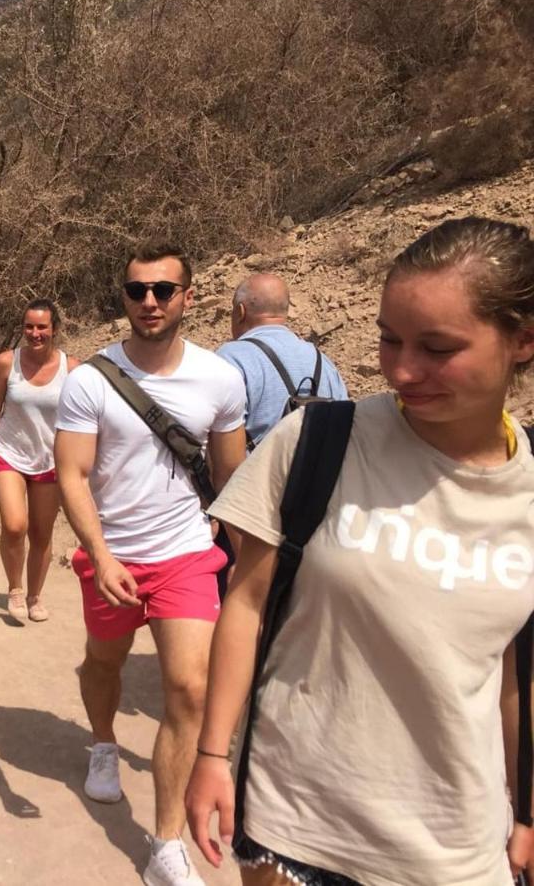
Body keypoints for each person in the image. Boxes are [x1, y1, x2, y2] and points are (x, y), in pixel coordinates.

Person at [186, 217, 534, 885]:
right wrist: (210, 755)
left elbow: (518, 668)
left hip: (456, 846)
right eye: (389, 339)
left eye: (437, 347)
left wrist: (529, 809)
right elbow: (247, 602)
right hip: (295, 819)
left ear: (522, 340)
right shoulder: (321, 440)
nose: (402, 369)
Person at [55, 244, 246, 885]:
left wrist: (244, 553)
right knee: (103, 662)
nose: (150, 302)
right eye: (137, 291)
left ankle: (166, 845)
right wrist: (101, 554)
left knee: (190, 688)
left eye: (164, 290)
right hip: (113, 557)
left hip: (187, 552)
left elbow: (231, 473)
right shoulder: (90, 379)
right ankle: (104, 741)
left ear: (189, 296)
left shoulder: (220, 378)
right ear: (125, 298)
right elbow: (73, 474)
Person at [0, 299, 79, 622]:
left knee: (42, 534)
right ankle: (15, 588)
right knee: (15, 524)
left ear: (54, 329)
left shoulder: (72, 368)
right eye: (29, 327)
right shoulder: (7, 363)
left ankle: (35, 596)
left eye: (41, 327)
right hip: (9, 453)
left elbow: (82, 420)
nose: (35, 333)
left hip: (49, 460)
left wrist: (79, 463)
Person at [216, 273, 349, 448]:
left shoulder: (229, 358)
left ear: (240, 312)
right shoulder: (323, 361)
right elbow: (346, 426)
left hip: (256, 474)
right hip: (322, 473)